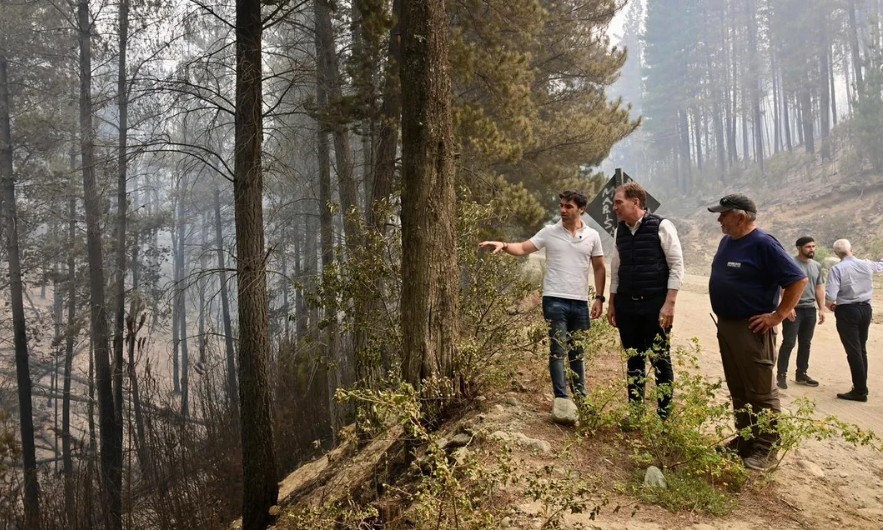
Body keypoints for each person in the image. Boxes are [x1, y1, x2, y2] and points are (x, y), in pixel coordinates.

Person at [707, 194, 807, 471]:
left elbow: (797, 279)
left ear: (740, 216)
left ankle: (766, 448)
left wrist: (778, 315)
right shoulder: (727, 241)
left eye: (723, 215)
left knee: (760, 391)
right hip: (727, 326)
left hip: (752, 329)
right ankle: (746, 440)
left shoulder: (763, 243)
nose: (719, 220)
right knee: (738, 388)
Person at [479, 190, 606, 401]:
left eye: (569, 206)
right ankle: (562, 399)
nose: (563, 210)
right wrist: (503, 245)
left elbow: (600, 267)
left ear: (581, 209)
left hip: (580, 302)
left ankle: (582, 399)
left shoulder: (592, 236)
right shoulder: (549, 232)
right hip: (554, 299)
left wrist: (599, 298)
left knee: (578, 352)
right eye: (562, 206)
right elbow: (522, 248)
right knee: (558, 349)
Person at [607, 182, 684, 422]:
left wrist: (669, 303)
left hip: (655, 305)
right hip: (627, 306)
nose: (614, 208)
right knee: (634, 358)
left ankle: (664, 416)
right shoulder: (620, 231)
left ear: (636, 202)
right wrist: (612, 303)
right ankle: (636, 412)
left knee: (660, 358)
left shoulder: (661, 226)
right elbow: (616, 270)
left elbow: (677, 265)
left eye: (618, 202)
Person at [825, 239, 883, 402]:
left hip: (847, 310)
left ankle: (859, 391)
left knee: (853, 350)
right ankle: (861, 386)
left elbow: (830, 294)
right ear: (853, 249)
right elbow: (880, 266)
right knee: (861, 348)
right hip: (866, 309)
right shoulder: (866, 264)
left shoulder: (837, 269)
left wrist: (830, 304)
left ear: (836, 253)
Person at [776, 236, 826, 389]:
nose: (812, 249)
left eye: (813, 246)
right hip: (794, 309)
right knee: (789, 342)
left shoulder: (817, 266)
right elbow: (782, 286)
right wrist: (788, 307)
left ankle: (801, 374)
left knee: (806, 343)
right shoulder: (790, 263)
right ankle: (781, 374)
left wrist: (822, 308)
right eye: (808, 247)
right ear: (799, 248)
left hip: (810, 309)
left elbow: (819, 287)